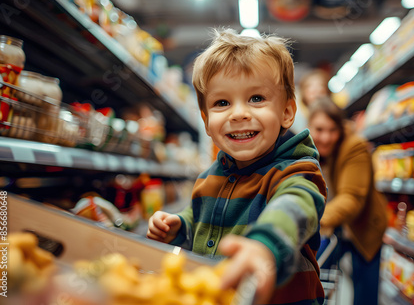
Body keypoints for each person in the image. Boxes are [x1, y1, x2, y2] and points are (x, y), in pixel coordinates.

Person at [147, 29, 327, 305]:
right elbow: (201, 215)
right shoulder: (209, 177)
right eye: (222, 103)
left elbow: (295, 204)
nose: (239, 113)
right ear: (206, 121)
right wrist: (180, 224)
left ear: (287, 112)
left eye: (256, 98)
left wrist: (265, 245)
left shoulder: (296, 171)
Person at [307, 96, 388, 305]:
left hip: (364, 228)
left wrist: (313, 220)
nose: (325, 137)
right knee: (314, 278)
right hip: (338, 228)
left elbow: (352, 198)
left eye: (332, 130)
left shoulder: (355, 147)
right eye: (319, 130)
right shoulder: (311, 150)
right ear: (309, 128)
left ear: (341, 129)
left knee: (365, 294)